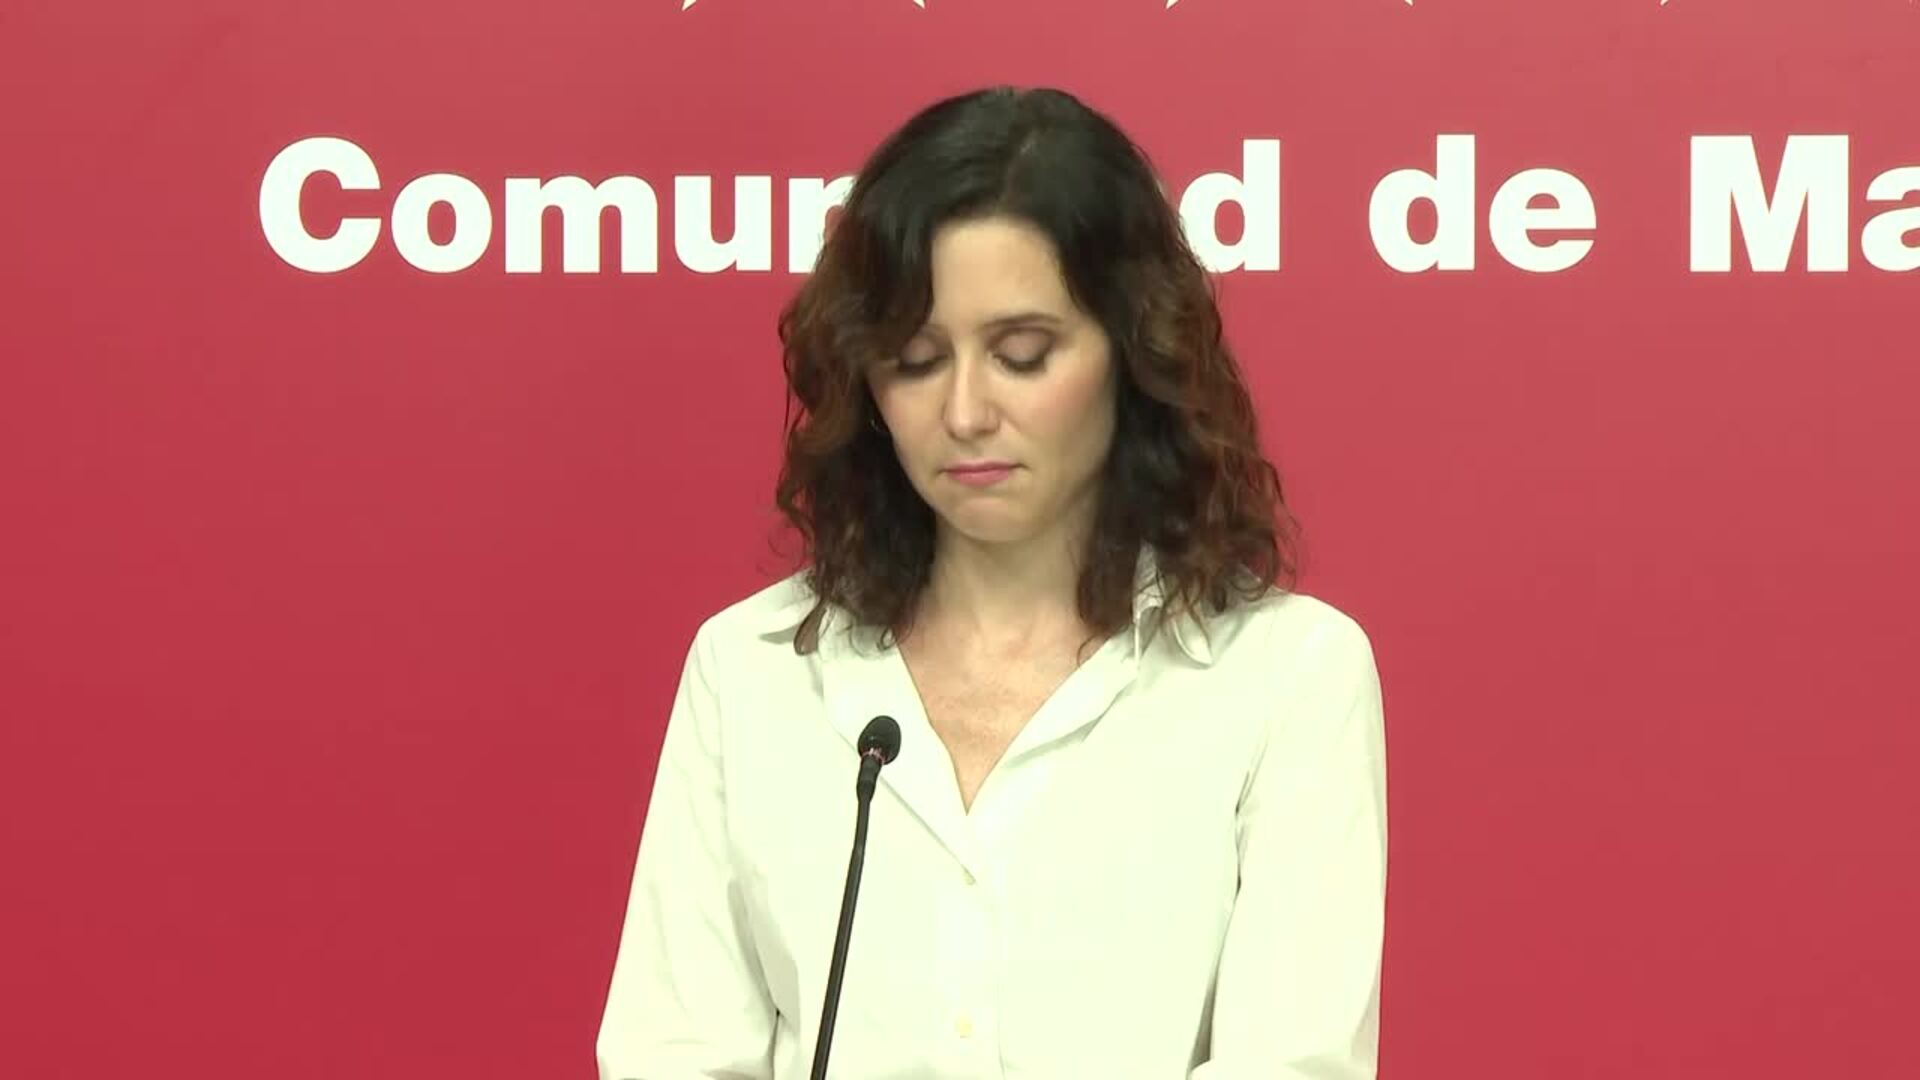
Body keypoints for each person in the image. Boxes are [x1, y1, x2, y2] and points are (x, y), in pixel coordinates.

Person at [595, 85, 1387, 1080]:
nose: (965, 412)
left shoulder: (1288, 677)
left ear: (1135, 353)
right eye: (915, 361)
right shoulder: (750, 671)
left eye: (1022, 355)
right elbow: (674, 1055)